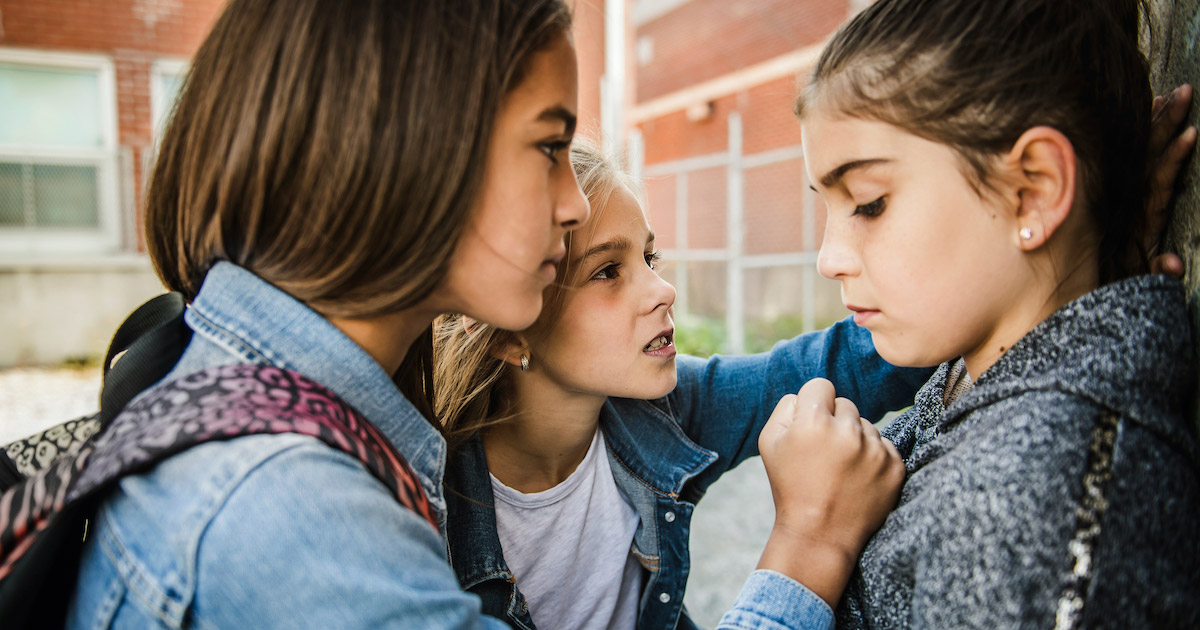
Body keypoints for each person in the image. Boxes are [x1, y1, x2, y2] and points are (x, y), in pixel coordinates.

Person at [66, 0, 593, 627]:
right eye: (549, 146)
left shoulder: (242, 382)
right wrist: (750, 578)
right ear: (401, 143)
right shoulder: (297, 513)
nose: (577, 205)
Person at [793, 0, 1200, 627]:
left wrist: (807, 540)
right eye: (828, 205)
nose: (830, 258)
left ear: (1033, 189)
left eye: (869, 203)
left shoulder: (1033, 512)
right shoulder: (984, 369)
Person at [433, 139, 934, 630]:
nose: (663, 290)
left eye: (649, 260)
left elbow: (830, 364)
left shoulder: (663, 407)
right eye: (608, 271)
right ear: (508, 332)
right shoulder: (428, 499)